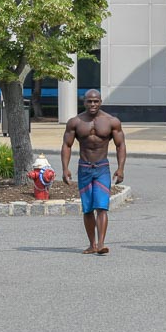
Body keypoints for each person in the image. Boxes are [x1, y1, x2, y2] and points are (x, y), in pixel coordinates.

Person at [61, 89, 126, 255]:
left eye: (96, 101)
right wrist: (65, 168)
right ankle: (92, 244)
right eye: (89, 101)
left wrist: (120, 168)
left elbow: (120, 145)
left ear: (100, 102)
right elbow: (67, 145)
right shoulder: (75, 122)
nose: (92, 104)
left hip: (102, 168)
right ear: (84, 102)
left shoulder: (111, 121)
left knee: (102, 206)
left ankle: (101, 244)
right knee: (88, 208)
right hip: (84, 168)